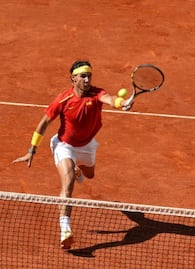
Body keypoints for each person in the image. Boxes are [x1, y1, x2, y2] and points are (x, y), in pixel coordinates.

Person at [13, 60, 128, 249]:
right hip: (64, 146)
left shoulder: (97, 93)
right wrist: (31, 150)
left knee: (89, 175)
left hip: (87, 145)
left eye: (89, 75)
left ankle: (77, 169)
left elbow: (111, 99)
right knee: (68, 185)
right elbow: (43, 123)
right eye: (83, 76)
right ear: (73, 78)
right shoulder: (63, 99)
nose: (87, 79)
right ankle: (65, 229)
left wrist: (121, 103)